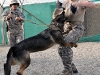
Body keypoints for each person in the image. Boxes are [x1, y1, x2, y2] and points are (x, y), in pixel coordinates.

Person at [53, 0, 95, 75]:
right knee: (60, 49)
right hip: (67, 27)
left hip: (77, 27)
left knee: (65, 45)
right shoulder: (65, 2)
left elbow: (92, 4)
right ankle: (72, 67)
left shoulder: (81, 1)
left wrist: (78, 4)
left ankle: (68, 70)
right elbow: (58, 15)